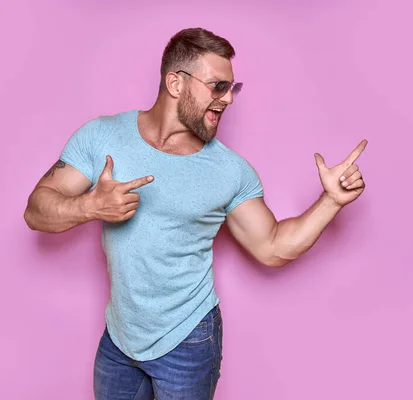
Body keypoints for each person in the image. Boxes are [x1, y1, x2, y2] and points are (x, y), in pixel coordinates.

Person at [23, 27, 367, 400]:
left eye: (233, 89)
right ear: (175, 83)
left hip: (188, 341)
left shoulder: (230, 171)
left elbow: (271, 246)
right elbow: (36, 211)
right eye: (218, 86)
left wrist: (330, 201)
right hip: (119, 339)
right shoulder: (101, 136)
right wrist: (89, 205)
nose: (228, 100)